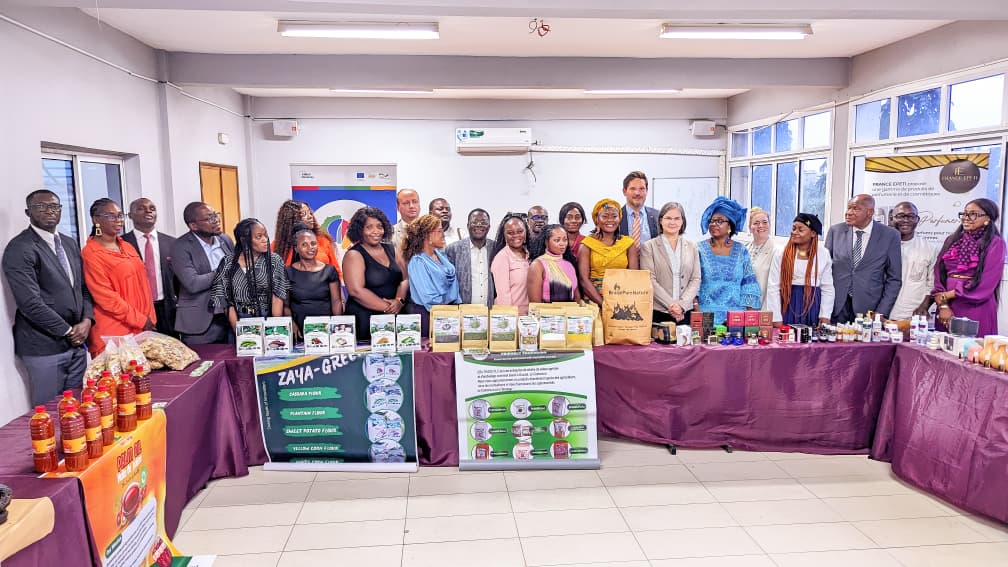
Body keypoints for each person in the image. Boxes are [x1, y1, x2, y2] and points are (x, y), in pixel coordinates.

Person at [3, 190, 93, 405]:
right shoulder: (20, 248)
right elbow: (30, 304)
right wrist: (68, 330)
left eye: (54, 206)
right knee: (50, 412)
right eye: (40, 206)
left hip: (77, 344)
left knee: (76, 408)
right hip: (44, 347)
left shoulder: (69, 244)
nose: (49, 211)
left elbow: (83, 289)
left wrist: (87, 321)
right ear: (28, 212)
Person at [81, 198, 156, 356]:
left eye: (120, 215)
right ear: (96, 220)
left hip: (141, 327)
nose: (118, 220)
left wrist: (149, 318)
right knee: (120, 380)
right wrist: (141, 320)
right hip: (114, 332)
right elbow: (106, 298)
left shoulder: (127, 246)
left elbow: (144, 285)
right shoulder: (91, 253)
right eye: (110, 216)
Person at [932, 198, 1006, 336]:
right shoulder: (952, 239)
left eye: (973, 214)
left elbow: (987, 283)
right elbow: (938, 272)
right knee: (941, 351)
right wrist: (942, 304)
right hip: (946, 306)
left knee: (971, 352)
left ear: (987, 218)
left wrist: (949, 294)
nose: (966, 218)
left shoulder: (996, 244)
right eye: (964, 214)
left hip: (975, 307)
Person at [825, 194, 902, 323]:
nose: (848, 213)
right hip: (836, 307)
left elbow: (894, 279)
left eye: (855, 209)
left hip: (869, 310)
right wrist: (824, 309)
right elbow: (824, 271)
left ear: (870, 212)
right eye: (848, 208)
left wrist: (881, 312)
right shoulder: (835, 231)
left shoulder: (890, 235)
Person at [169, 202, 235, 344]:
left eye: (216, 215)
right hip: (200, 322)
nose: (216, 220)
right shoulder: (180, 246)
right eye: (209, 218)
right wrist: (223, 270)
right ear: (194, 226)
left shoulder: (225, 239)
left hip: (229, 317)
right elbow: (193, 283)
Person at [343, 207, 409, 341]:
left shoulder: (391, 249)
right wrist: (389, 308)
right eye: (369, 227)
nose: (376, 232)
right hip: (365, 319)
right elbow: (356, 291)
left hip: (394, 315)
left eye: (379, 227)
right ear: (360, 230)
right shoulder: (354, 254)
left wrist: (399, 301)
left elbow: (405, 279)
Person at [210, 218, 290, 329]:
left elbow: (278, 297)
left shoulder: (274, 260)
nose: (265, 240)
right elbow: (226, 302)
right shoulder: (228, 262)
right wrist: (237, 330)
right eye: (259, 236)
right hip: (238, 320)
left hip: (268, 319)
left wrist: (274, 327)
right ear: (244, 240)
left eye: (265, 235)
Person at [696, 197, 762, 325]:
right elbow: (692, 282)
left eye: (720, 221)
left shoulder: (741, 250)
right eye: (712, 220)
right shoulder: (698, 249)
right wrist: (697, 313)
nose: (714, 224)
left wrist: (748, 319)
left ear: (730, 226)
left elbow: (748, 284)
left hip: (735, 318)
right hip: (706, 316)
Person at [766, 214, 834, 327]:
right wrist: (776, 317)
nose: (794, 232)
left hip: (813, 304)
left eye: (800, 229)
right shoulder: (781, 253)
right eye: (793, 228)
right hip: (788, 303)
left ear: (813, 233)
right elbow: (773, 286)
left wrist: (825, 315)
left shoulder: (823, 254)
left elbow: (827, 287)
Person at [122, 197, 177, 336]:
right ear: (130, 215)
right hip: (137, 310)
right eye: (141, 208)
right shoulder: (121, 243)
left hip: (167, 309)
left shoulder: (172, 242)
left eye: (152, 208)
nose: (148, 211)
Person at [639, 202, 700, 324]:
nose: (672, 222)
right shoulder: (648, 247)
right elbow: (650, 279)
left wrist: (681, 306)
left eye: (677, 218)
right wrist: (672, 305)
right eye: (668, 218)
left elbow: (696, 279)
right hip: (659, 313)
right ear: (661, 220)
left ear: (682, 221)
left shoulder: (692, 246)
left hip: (685, 312)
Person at [284, 223, 343, 337]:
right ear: (296, 248)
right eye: (304, 245)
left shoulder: (329, 270)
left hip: (326, 328)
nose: (310, 248)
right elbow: (285, 305)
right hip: (300, 330)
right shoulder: (288, 272)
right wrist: (291, 323)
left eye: (313, 243)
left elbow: (336, 301)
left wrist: (336, 325)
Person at [578, 198, 639, 306]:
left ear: (619, 218)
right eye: (605, 216)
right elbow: (583, 280)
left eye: (614, 216)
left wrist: (621, 303)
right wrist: (604, 304)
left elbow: (633, 277)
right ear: (597, 219)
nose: (610, 220)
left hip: (623, 301)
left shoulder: (628, 244)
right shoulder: (586, 245)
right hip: (594, 302)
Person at [404, 214, 460, 327]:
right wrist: (449, 312)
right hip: (429, 317)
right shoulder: (417, 261)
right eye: (439, 231)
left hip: (449, 313)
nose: (443, 235)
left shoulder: (441, 255)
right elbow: (429, 298)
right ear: (427, 235)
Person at [888, 202, 936, 321]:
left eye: (911, 216)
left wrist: (924, 306)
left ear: (917, 219)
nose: (906, 220)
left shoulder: (929, 248)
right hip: (881, 313)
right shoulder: (880, 246)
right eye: (900, 216)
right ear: (891, 219)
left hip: (913, 315)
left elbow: (932, 283)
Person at [272, 199, 342, 278]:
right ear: (290, 219)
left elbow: (336, 272)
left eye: (310, 213)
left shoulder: (323, 240)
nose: (310, 217)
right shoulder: (276, 246)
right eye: (304, 214)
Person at [445, 209, 497, 306]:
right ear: (468, 225)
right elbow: (447, 283)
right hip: (461, 311)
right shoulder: (453, 250)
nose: (479, 225)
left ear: (489, 227)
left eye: (483, 222)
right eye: (474, 222)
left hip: (489, 310)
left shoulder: (496, 248)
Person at [528, 224, 581, 304]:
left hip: (570, 314)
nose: (562, 244)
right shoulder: (538, 265)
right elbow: (535, 304)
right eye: (557, 240)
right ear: (546, 242)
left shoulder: (569, 265)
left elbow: (577, 298)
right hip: (547, 314)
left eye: (565, 240)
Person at [490, 213, 531, 314]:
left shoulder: (530, 253)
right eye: (510, 233)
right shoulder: (502, 257)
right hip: (512, 317)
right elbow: (503, 295)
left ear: (526, 232)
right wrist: (510, 320)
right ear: (504, 235)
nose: (516, 235)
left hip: (530, 316)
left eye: (520, 231)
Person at [618, 171, 659, 245]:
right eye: (633, 189)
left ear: (647, 191)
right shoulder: (616, 217)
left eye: (641, 189)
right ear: (624, 191)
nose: (637, 193)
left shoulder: (658, 216)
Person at [745, 206, 775, 309]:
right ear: (750, 227)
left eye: (765, 222)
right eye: (756, 223)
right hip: (743, 306)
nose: (761, 226)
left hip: (764, 306)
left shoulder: (776, 251)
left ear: (770, 225)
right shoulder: (744, 249)